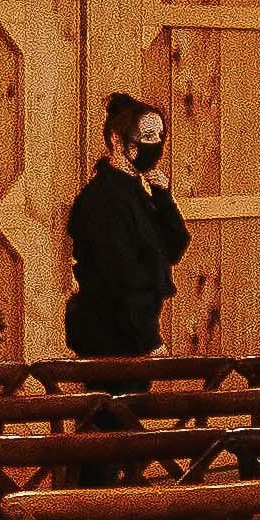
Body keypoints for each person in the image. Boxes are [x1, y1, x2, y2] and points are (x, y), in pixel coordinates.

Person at [66, 92, 191, 357]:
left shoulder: (137, 192)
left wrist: (163, 196)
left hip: (132, 335)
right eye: (147, 136)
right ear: (116, 139)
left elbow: (175, 245)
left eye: (159, 136)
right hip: (111, 339)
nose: (155, 144)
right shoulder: (103, 199)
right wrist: (150, 342)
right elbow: (121, 279)